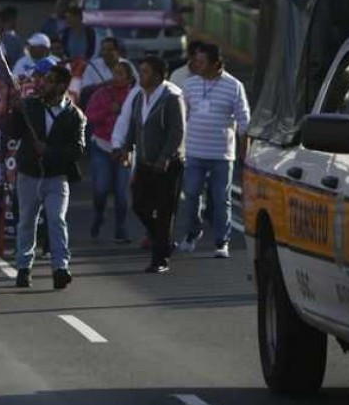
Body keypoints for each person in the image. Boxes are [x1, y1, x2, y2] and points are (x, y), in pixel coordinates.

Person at [9, 65, 85, 289]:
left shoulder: (75, 115)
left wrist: (50, 152)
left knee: (56, 220)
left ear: (62, 86)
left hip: (56, 177)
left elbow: (78, 149)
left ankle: (60, 268)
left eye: (50, 80)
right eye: (44, 79)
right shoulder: (29, 106)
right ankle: (24, 267)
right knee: (27, 221)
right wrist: (14, 112)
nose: (43, 83)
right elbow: (12, 132)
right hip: (29, 174)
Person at [111, 56, 186, 273]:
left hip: (167, 165)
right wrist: (125, 148)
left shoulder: (171, 97)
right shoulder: (139, 97)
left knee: (164, 211)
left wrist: (164, 158)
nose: (140, 76)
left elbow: (177, 132)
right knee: (139, 204)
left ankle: (160, 259)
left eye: (145, 72)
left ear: (158, 75)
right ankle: (164, 241)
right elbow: (135, 126)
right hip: (144, 163)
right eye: (140, 71)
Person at [177, 43, 251, 259]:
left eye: (201, 62)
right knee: (191, 194)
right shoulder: (189, 85)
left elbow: (244, 121)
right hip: (194, 151)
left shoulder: (234, 86)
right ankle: (193, 232)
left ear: (216, 63)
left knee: (221, 199)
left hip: (221, 153)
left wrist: (244, 150)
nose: (196, 65)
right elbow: (182, 117)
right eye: (196, 61)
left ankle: (221, 241)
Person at [84, 60, 136, 243]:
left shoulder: (134, 96)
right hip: (102, 146)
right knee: (101, 189)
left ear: (129, 79)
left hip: (124, 149)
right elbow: (89, 116)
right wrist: (108, 110)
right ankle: (99, 214)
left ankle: (121, 229)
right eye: (115, 73)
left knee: (122, 193)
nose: (116, 77)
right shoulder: (101, 93)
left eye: (121, 74)